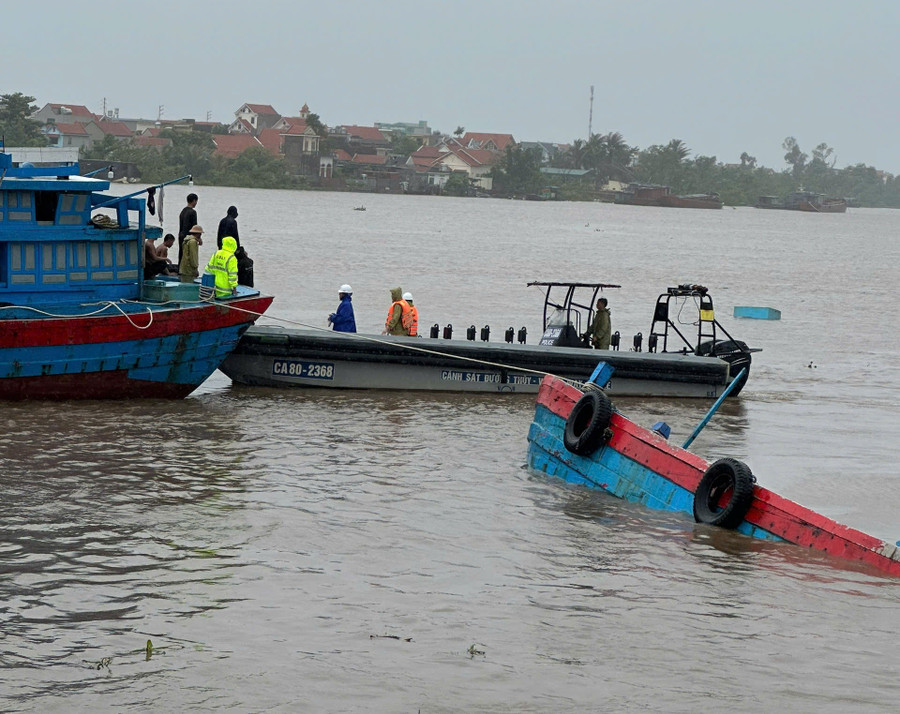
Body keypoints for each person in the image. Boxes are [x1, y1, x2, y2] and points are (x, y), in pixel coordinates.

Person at [177, 193, 199, 265]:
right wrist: (199, 238)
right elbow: (195, 227)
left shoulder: (183, 211)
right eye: (196, 201)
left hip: (181, 235)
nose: (196, 203)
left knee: (181, 254)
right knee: (189, 255)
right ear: (194, 201)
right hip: (188, 237)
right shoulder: (192, 212)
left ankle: (180, 269)